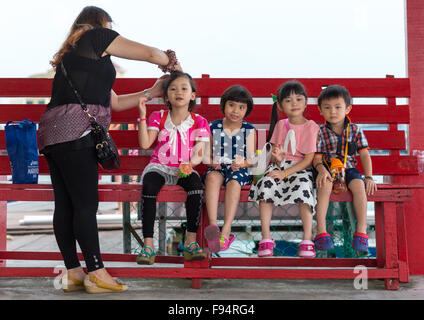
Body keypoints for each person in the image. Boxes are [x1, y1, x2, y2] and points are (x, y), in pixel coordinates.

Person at [37, 6, 180, 294]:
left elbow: (113, 103)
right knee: (86, 205)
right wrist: (171, 62)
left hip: (54, 133)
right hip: (76, 133)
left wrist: (153, 91)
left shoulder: (75, 55)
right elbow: (152, 54)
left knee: (66, 205)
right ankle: (98, 272)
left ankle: (75, 272)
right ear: (102, 24)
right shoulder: (97, 37)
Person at [136, 71, 210, 265]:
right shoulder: (158, 116)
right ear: (166, 95)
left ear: (192, 95)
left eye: (184, 88)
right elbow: (145, 144)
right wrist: (142, 117)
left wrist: (190, 164)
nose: (179, 92)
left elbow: (199, 153)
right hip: (159, 166)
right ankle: (148, 245)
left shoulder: (200, 121)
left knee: (195, 186)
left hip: (185, 167)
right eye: (173, 88)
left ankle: (191, 242)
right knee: (149, 186)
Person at [248, 81, 319, 258]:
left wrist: (286, 173)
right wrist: (277, 158)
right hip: (280, 166)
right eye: (288, 100)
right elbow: (274, 153)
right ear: (280, 105)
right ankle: (266, 238)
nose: (294, 103)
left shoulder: (311, 127)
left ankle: (307, 239)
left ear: (305, 102)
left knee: (304, 189)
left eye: (298, 99)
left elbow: (309, 159)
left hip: (300, 169)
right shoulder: (281, 125)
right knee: (266, 185)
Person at [312, 85, 377, 252]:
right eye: (327, 107)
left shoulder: (355, 130)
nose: (332, 111)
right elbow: (317, 158)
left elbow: (364, 155)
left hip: (348, 170)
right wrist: (321, 170)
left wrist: (368, 177)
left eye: (338, 107)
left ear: (348, 108)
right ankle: (322, 232)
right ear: (320, 110)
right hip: (327, 169)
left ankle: (361, 232)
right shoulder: (320, 132)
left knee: (359, 186)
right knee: (324, 186)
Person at [203, 85, 256, 253]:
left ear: (247, 110)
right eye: (232, 105)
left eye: (241, 107)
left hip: (238, 169)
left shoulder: (249, 130)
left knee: (234, 182)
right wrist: (213, 163)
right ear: (224, 105)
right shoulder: (213, 127)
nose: (236, 110)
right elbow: (205, 156)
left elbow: (252, 160)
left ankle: (226, 229)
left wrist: (242, 163)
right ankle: (213, 226)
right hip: (219, 166)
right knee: (212, 177)